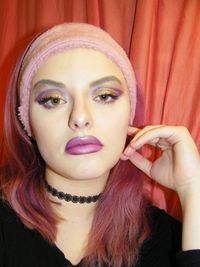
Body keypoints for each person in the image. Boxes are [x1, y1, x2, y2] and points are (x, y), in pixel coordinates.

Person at [0, 22, 200, 267]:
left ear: (130, 112)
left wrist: (193, 189)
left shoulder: (169, 240)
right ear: (26, 120)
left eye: (104, 96)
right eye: (53, 99)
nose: (80, 117)